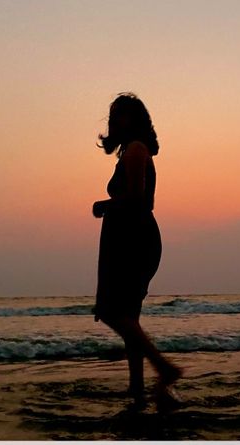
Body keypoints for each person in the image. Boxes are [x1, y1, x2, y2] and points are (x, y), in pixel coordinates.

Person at [93, 93, 182, 406]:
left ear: (135, 120)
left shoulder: (135, 150)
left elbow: (137, 200)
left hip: (134, 238)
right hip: (131, 237)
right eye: (112, 115)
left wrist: (102, 205)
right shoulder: (130, 151)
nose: (114, 120)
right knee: (129, 315)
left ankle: (164, 368)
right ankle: (137, 388)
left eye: (121, 115)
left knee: (110, 311)